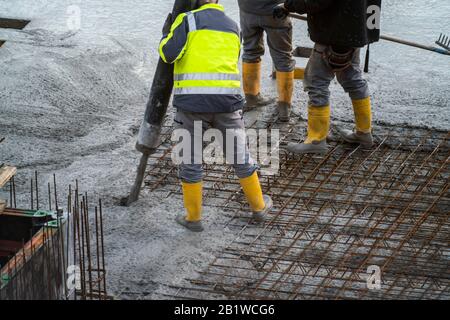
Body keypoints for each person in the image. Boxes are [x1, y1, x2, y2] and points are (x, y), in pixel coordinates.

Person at [159, 0, 273, 232]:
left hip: (191, 105)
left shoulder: (187, 21)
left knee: (190, 159)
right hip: (227, 104)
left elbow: (168, 55)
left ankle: (194, 218)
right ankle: (259, 207)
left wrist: (166, 34)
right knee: (240, 155)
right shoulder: (232, 26)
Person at [273, 0, 381, 154]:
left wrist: (287, 6)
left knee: (316, 83)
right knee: (354, 81)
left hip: (334, 33)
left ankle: (316, 140)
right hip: (356, 32)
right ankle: (364, 132)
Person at [238, 0, 296, 122]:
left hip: (247, 9)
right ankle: (284, 106)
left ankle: (251, 98)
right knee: (283, 57)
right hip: (276, 10)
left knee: (250, 51)